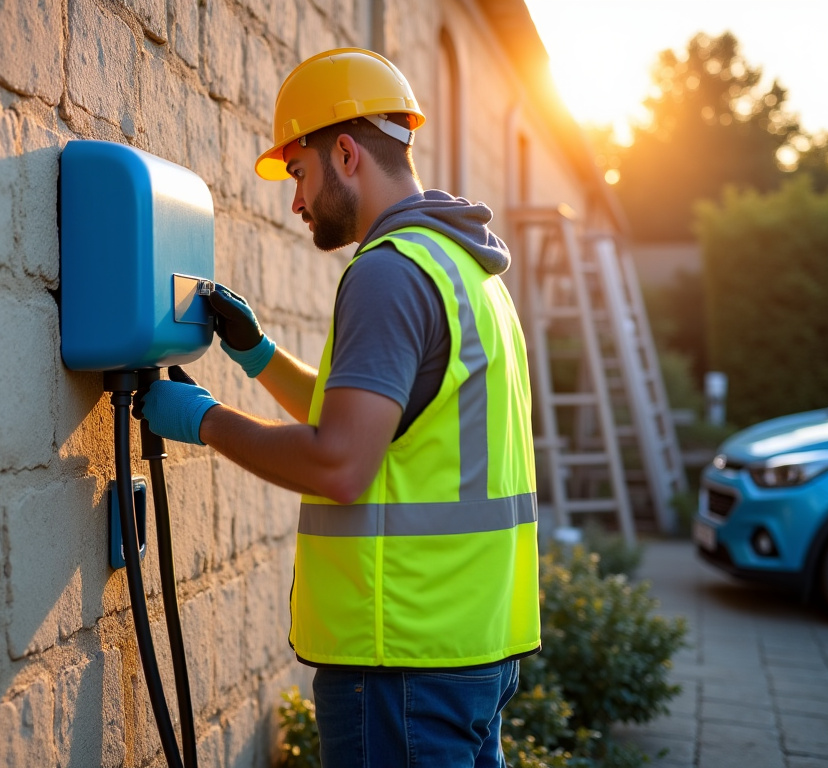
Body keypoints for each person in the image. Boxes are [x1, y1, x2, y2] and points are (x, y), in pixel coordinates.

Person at [136, 48, 540, 767]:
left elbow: (341, 462)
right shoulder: (465, 270)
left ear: (346, 153)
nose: (295, 202)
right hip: (470, 651)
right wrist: (256, 354)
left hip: (401, 664)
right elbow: (371, 424)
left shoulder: (387, 274)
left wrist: (201, 419)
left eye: (298, 173)